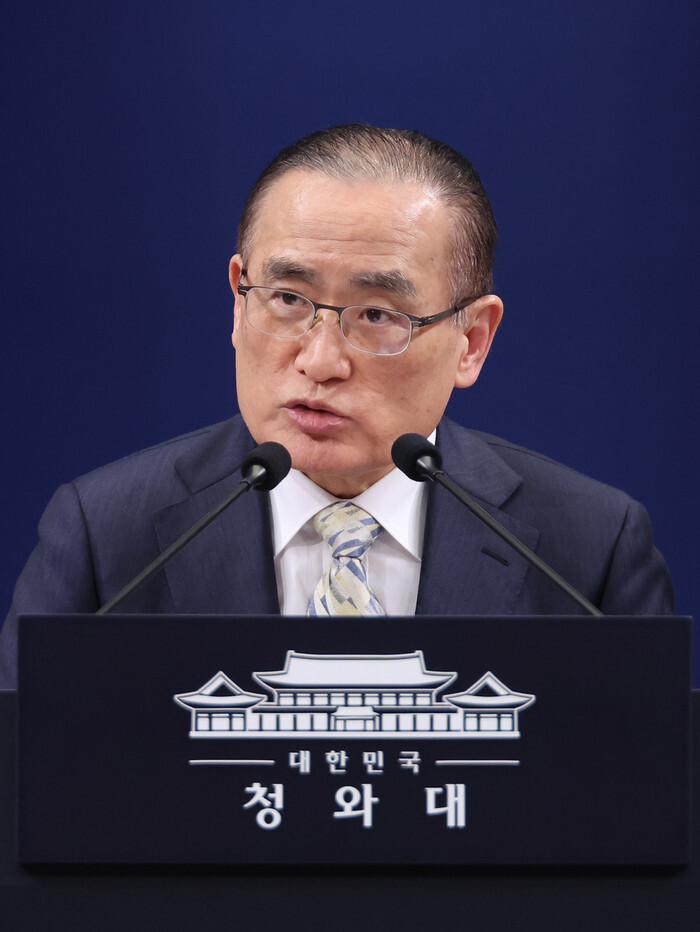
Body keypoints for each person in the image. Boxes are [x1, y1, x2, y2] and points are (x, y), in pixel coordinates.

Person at [0, 124, 673, 688]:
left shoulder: (590, 551)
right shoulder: (105, 537)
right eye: (288, 299)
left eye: (377, 313)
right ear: (237, 300)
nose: (320, 361)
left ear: (471, 341)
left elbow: (644, 792)